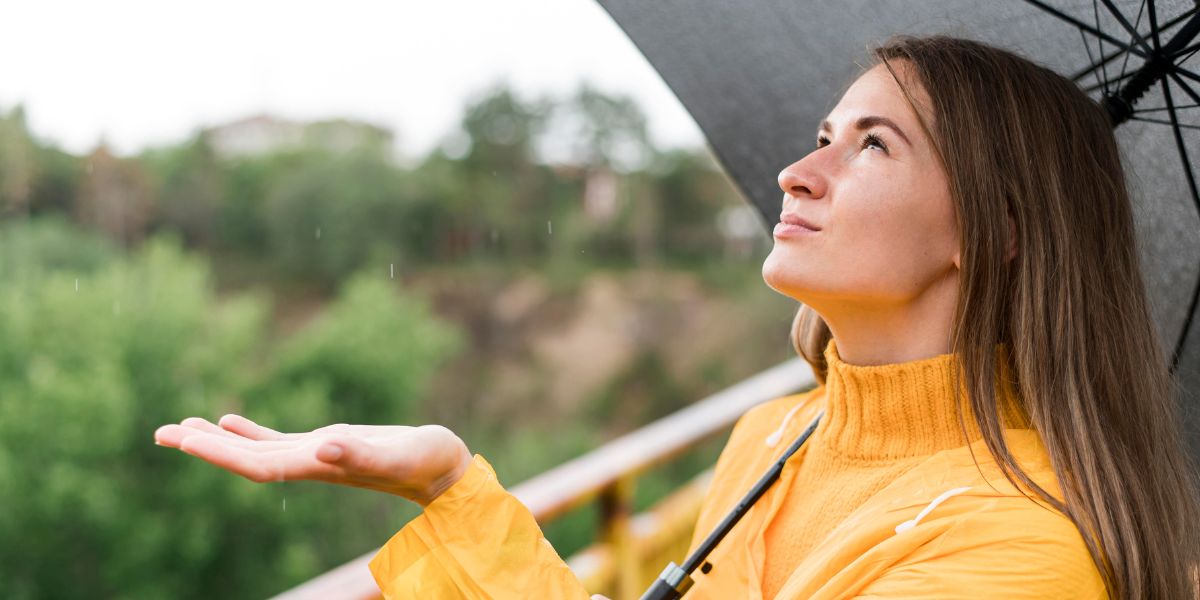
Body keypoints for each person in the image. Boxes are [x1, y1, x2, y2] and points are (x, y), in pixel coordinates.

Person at [154, 35, 1200, 599]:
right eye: (823, 133)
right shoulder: (778, 437)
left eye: (871, 146)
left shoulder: (1024, 551)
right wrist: (448, 485)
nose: (800, 172)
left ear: (999, 230)